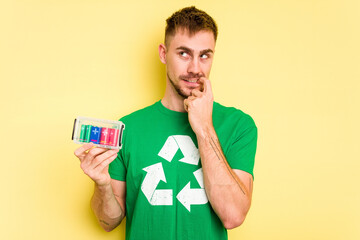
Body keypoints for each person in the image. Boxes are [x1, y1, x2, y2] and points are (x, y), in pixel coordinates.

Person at [74, 6, 257, 240]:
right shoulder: (128, 128)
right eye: (183, 53)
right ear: (163, 53)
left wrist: (204, 128)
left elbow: (233, 216)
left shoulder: (239, 125)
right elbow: (108, 221)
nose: (195, 68)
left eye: (204, 55)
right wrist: (102, 185)